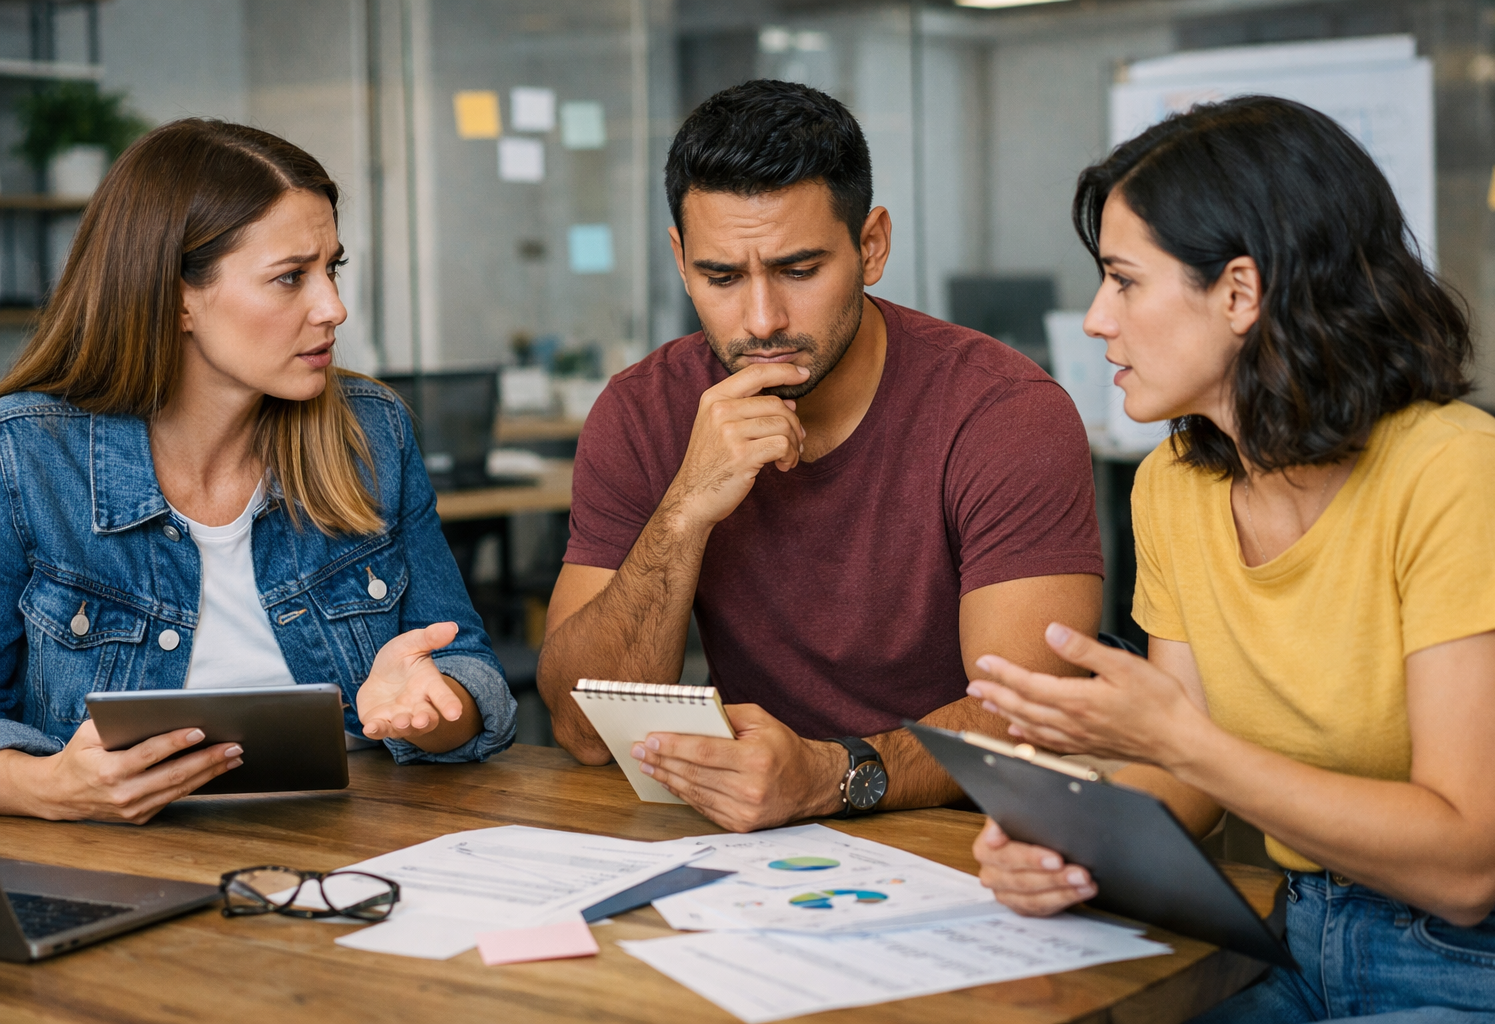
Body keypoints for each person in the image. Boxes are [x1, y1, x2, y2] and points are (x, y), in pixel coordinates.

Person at [966, 96, 1495, 1022]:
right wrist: (1067, 845)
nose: (1098, 319)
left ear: (1239, 291)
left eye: (1124, 280)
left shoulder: (1458, 471)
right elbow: (1186, 774)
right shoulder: (1175, 484)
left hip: (1483, 960)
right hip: (1285, 931)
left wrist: (1177, 739)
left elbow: (1468, 865)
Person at [536, 79, 1103, 833]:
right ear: (680, 260)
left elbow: (1031, 719)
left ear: (871, 246)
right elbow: (583, 733)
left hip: (975, 834)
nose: (763, 319)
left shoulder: (1005, 412)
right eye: (722, 277)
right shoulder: (642, 410)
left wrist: (833, 775)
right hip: (753, 840)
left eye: (799, 270)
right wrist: (686, 510)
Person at [0, 120, 515, 824]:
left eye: (332, 268)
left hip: (352, 850)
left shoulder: (373, 432)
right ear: (177, 295)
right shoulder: (25, 458)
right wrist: (50, 790)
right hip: (115, 862)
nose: (333, 308)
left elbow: (472, 675)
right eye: (289, 278)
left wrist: (431, 708)